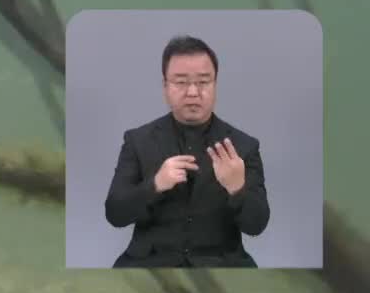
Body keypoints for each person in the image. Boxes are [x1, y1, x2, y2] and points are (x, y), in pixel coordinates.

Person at [104, 35, 269, 267]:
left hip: (221, 265)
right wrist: (155, 184)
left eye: (203, 81)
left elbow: (257, 226)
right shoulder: (138, 141)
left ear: (215, 84)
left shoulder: (243, 146)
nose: (193, 92)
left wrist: (237, 188)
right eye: (181, 82)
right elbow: (115, 214)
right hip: (151, 263)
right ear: (165, 86)